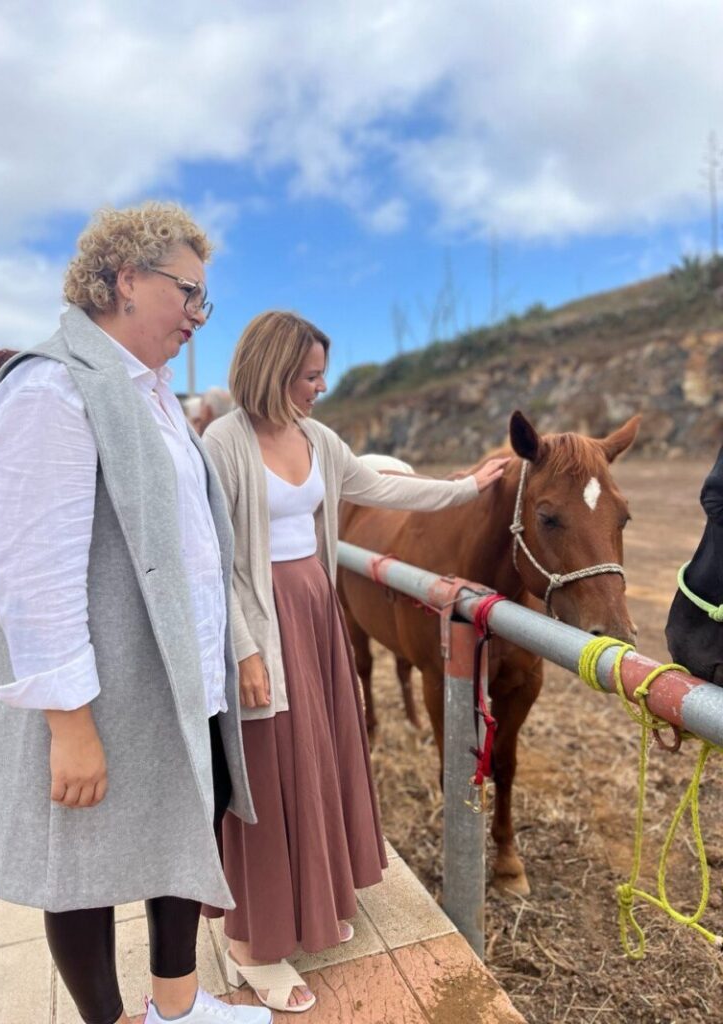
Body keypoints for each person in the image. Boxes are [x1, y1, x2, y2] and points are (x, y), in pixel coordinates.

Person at [0, 202, 271, 1024]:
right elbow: (31, 570)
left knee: (181, 830)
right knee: (85, 864)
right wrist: (69, 720)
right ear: (126, 279)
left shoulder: (151, 396)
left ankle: (178, 1010)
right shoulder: (52, 387)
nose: (199, 316)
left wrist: (231, 645)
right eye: (190, 293)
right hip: (103, 689)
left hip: (176, 674)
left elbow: (196, 543)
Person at [202, 310, 509, 1014]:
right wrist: (244, 645)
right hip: (264, 620)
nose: (320, 387)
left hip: (314, 607)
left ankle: (304, 908)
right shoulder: (223, 441)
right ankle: (253, 941)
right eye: (310, 375)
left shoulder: (315, 437)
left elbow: (385, 490)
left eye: (321, 374)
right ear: (275, 368)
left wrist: (467, 487)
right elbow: (213, 559)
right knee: (270, 772)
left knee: (313, 762)